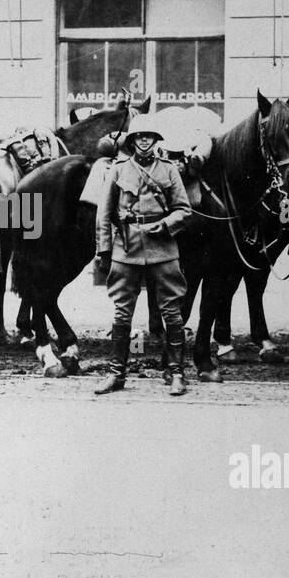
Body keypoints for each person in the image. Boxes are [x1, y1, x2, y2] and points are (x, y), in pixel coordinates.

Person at [93, 114, 192, 396]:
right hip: (127, 247)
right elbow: (104, 213)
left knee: (172, 311)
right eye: (139, 136)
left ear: (156, 139)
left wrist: (166, 224)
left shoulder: (169, 170)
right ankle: (116, 374)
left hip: (163, 249)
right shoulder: (118, 170)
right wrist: (103, 249)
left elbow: (184, 210)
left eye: (149, 136)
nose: (144, 140)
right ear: (133, 140)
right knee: (122, 311)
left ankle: (176, 373)